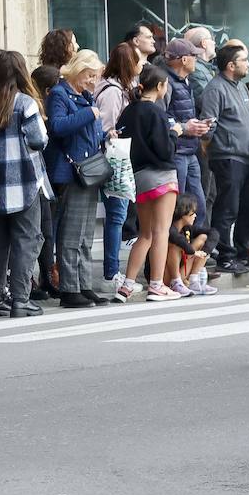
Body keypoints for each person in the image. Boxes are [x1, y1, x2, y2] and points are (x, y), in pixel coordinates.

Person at [0, 51, 50, 318]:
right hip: (23, 182)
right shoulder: (26, 104)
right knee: (26, 240)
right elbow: (38, 141)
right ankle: (20, 299)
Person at [115, 65, 184, 303]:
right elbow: (165, 150)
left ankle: (127, 285)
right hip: (161, 175)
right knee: (161, 231)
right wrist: (175, 133)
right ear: (161, 86)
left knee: (144, 233)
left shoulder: (128, 112)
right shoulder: (156, 112)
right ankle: (156, 284)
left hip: (138, 175)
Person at [46, 49, 109, 309]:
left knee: (84, 234)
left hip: (88, 170)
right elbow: (58, 127)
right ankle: (70, 288)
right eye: (90, 75)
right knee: (72, 233)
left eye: (96, 77)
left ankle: (84, 285)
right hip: (72, 171)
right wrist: (89, 114)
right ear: (78, 70)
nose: (93, 81)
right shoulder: (60, 94)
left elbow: (88, 132)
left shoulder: (83, 95)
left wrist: (106, 135)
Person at [199, 43, 249, 277]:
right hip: (227, 157)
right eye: (244, 60)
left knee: (245, 208)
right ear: (231, 65)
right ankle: (224, 256)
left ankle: (241, 253)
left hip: (246, 157)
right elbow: (208, 125)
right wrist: (208, 149)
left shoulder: (241, 87)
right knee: (227, 209)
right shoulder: (216, 89)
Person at [95, 42, 140, 289]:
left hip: (115, 158)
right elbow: (107, 128)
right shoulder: (113, 91)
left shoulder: (119, 87)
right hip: (113, 159)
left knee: (116, 215)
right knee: (116, 215)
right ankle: (111, 273)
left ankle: (111, 272)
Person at [158, 38, 211, 226]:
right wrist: (185, 127)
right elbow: (159, 117)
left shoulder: (184, 80)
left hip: (189, 151)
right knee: (177, 207)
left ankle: (192, 250)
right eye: (194, 56)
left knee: (198, 206)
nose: (197, 59)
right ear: (183, 60)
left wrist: (196, 125)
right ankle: (176, 251)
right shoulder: (165, 82)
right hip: (177, 153)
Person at [30, 64, 63, 302]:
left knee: (46, 228)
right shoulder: (37, 108)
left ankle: (46, 275)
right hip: (41, 175)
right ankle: (42, 277)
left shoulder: (46, 107)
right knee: (42, 229)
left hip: (45, 175)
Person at [164, 194, 217, 296]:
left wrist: (205, 252)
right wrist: (193, 252)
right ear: (183, 214)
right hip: (166, 274)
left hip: (182, 270)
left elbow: (214, 232)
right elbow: (176, 238)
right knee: (176, 245)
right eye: (192, 213)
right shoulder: (169, 227)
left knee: (203, 238)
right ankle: (176, 282)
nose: (195, 216)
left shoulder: (188, 228)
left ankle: (193, 280)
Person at [184, 27, 218, 99]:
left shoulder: (203, 68)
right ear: (204, 43)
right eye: (212, 39)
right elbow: (210, 101)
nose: (214, 43)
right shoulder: (196, 70)